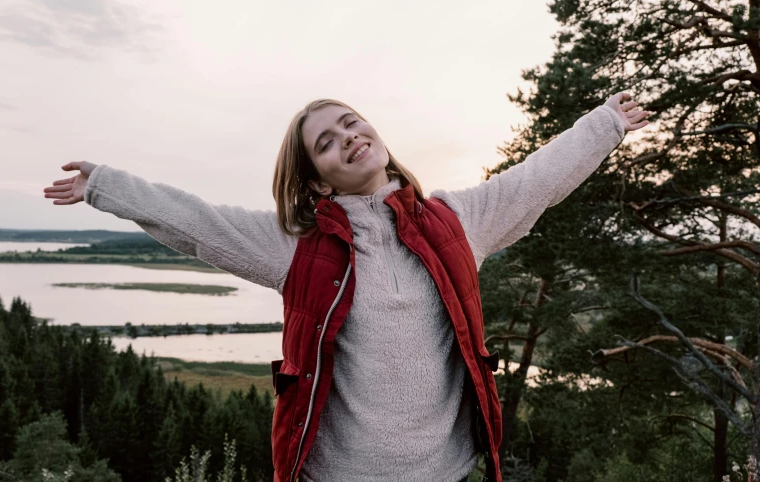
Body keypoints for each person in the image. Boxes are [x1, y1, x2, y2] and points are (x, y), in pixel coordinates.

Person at [43, 93, 649, 482]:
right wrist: (107, 187)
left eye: (350, 123)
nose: (347, 138)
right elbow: (200, 223)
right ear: (317, 182)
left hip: (445, 471)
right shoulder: (298, 247)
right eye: (325, 142)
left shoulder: (455, 221)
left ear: (376, 133)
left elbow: (535, 179)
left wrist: (605, 125)